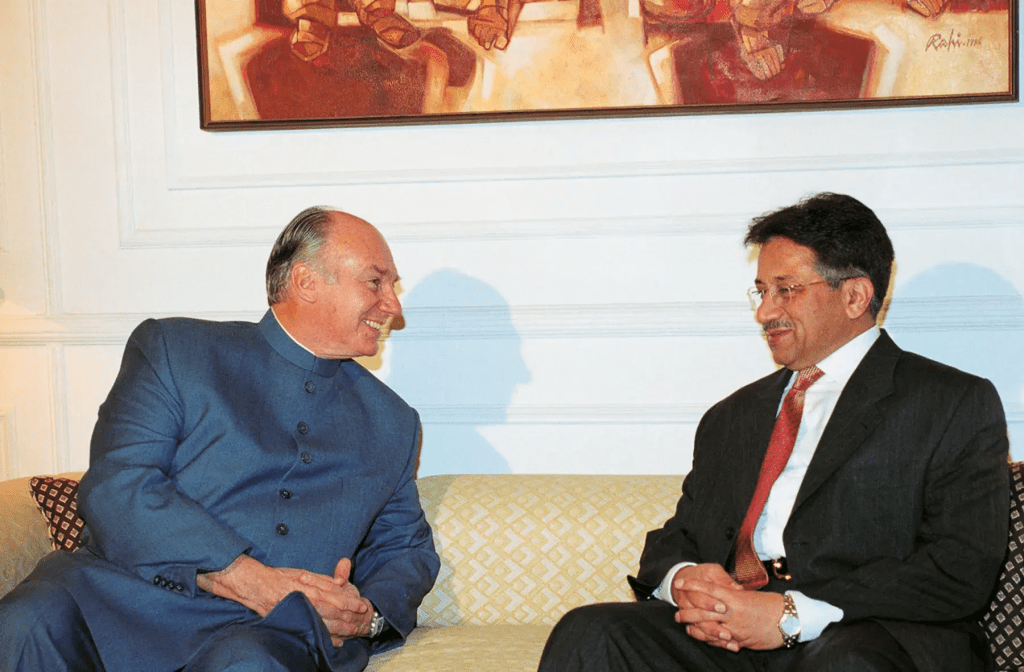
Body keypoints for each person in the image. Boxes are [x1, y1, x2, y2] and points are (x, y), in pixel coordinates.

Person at [538, 192, 1009, 672]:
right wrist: (685, 579)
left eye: (786, 290)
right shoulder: (732, 417)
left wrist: (791, 613)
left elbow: (960, 568)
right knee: (591, 633)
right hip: (733, 633)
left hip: (863, 633)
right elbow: (676, 537)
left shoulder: (950, 402)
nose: (765, 312)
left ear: (855, 296)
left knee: (845, 664)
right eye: (761, 291)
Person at [0, 207, 440, 672]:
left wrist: (366, 618)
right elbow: (118, 485)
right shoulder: (175, 351)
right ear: (307, 282)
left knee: (249, 664)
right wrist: (243, 576)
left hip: (270, 632)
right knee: (24, 622)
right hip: (119, 598)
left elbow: (404, 548)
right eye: (376, 283)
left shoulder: (393, 421)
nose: (393, 306)